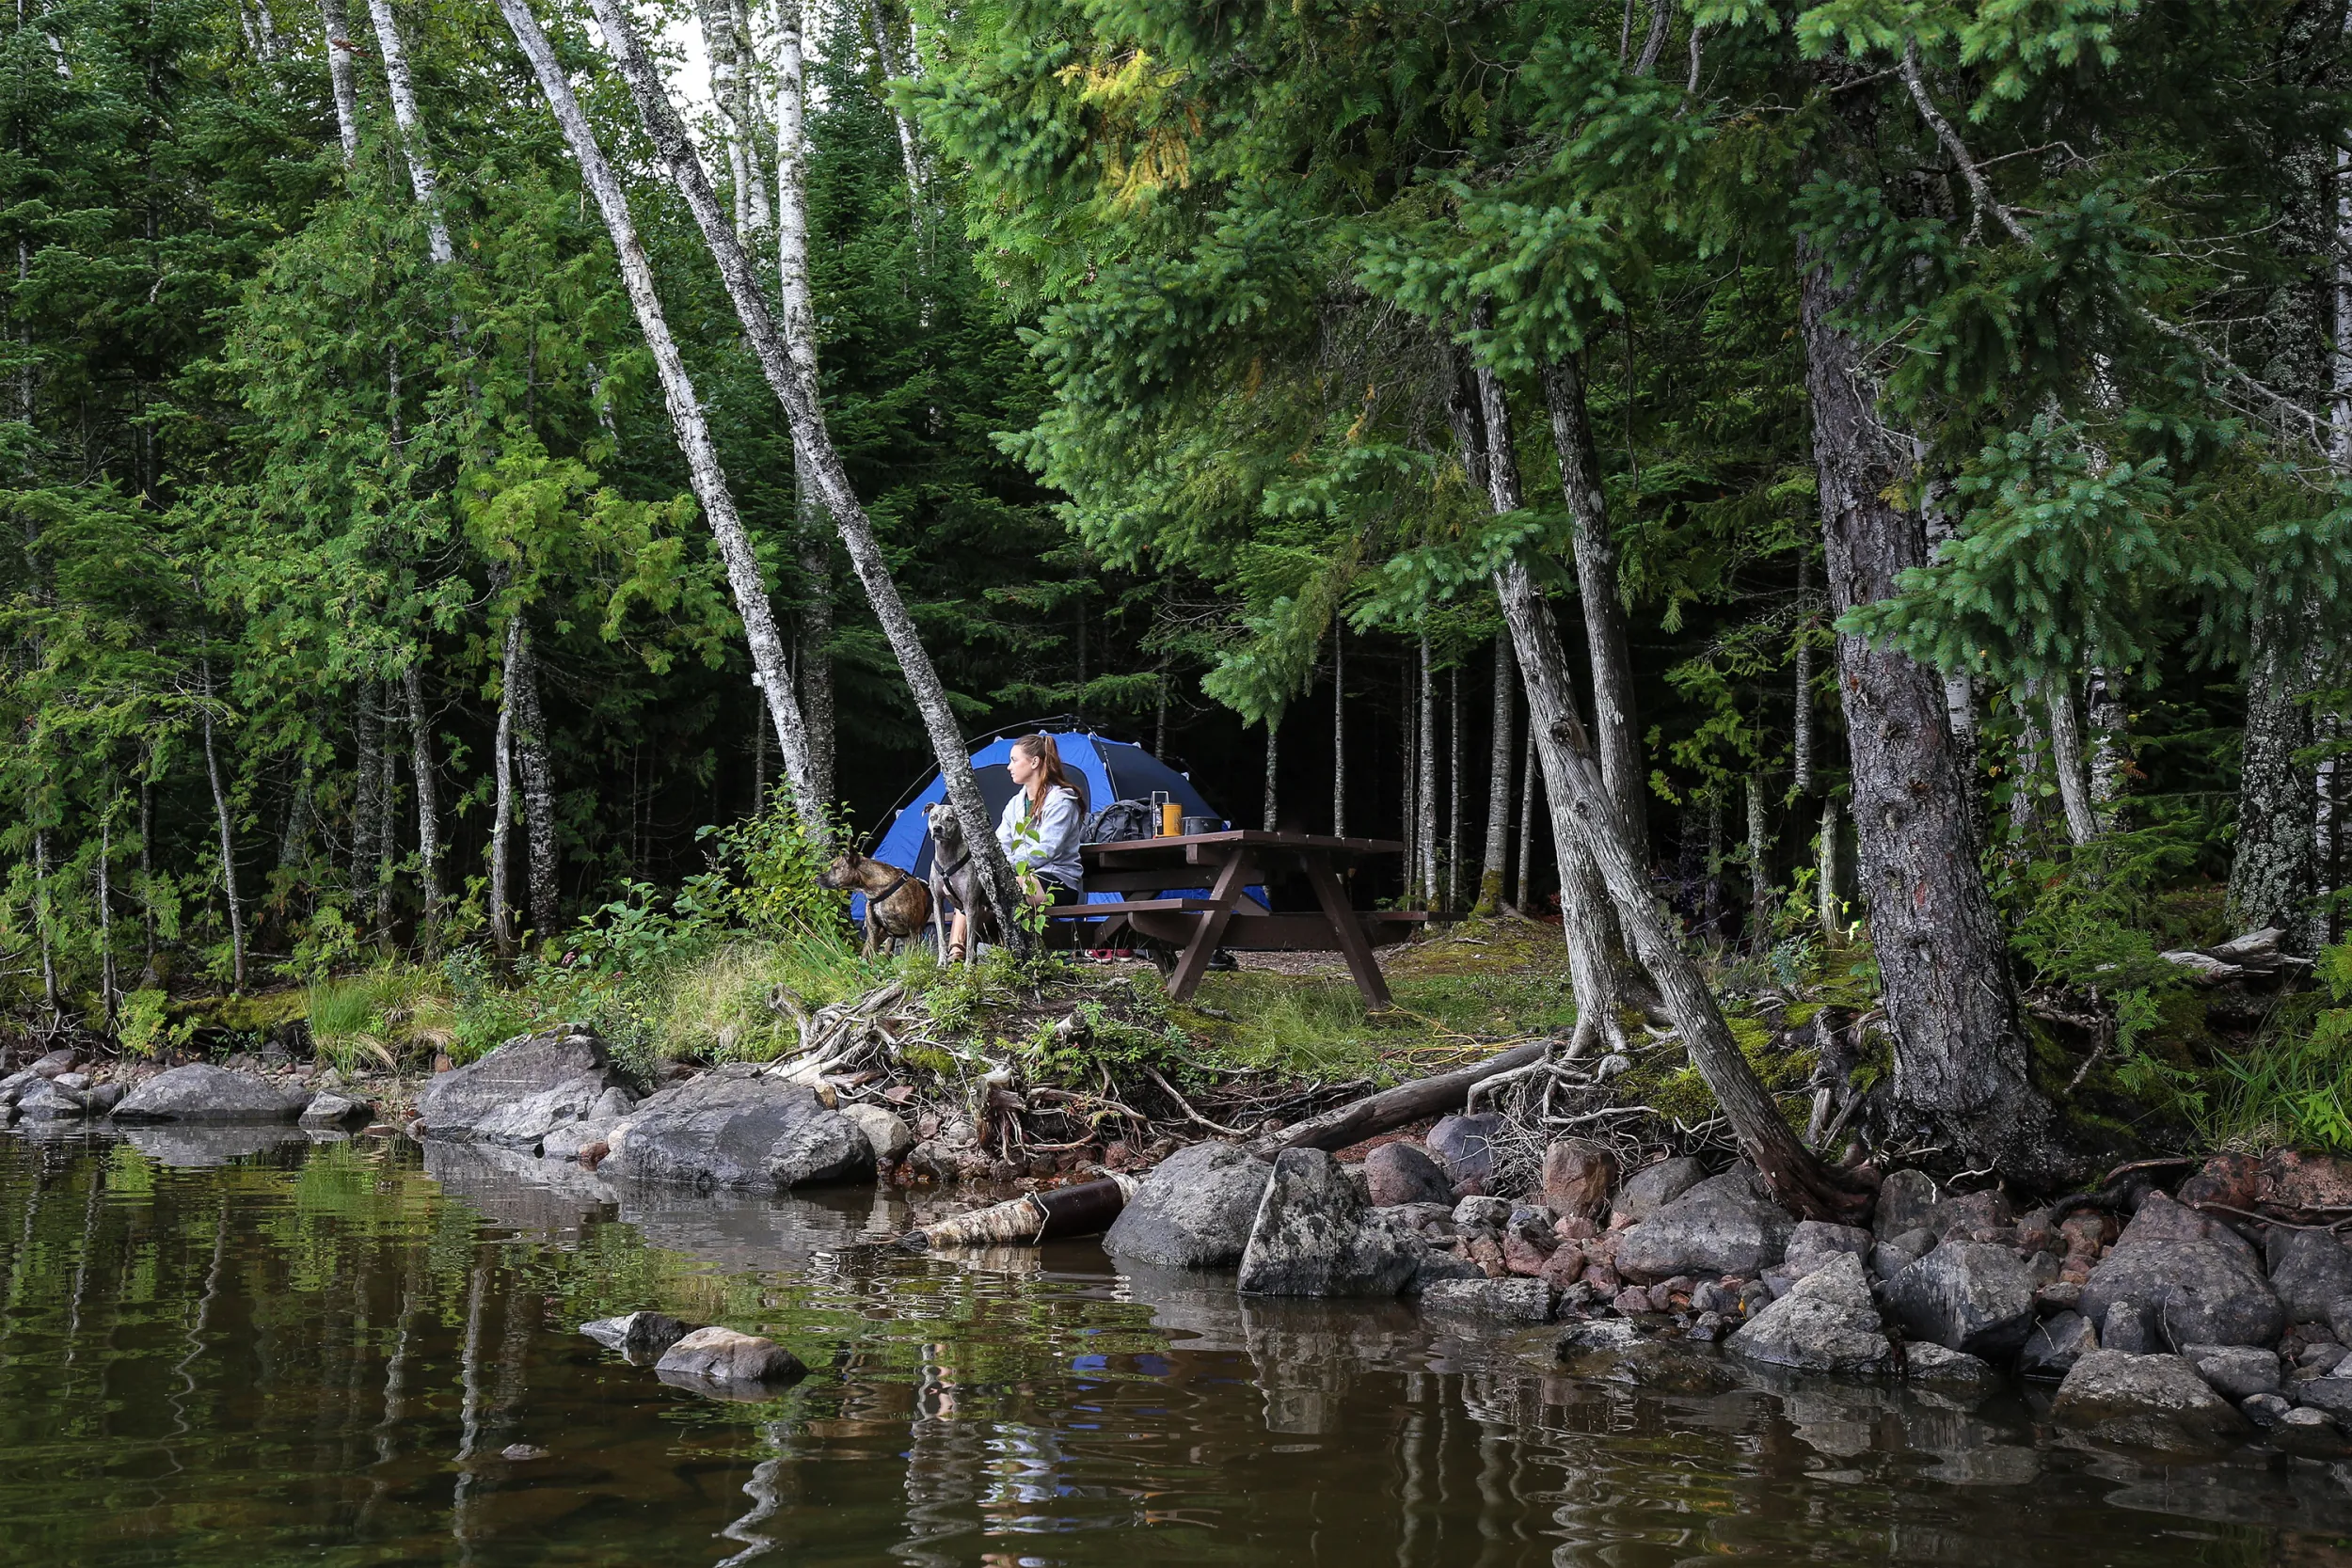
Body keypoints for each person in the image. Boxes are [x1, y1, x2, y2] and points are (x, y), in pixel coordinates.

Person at [947, 733, 1087, 960]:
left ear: (1034, 762)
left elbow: (1045, 851)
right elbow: (999, 844)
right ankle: (957, 953)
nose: (1009, 767)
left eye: (1014, 760)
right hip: (1020, 878)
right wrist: (987, 866)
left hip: (1056, 881)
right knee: (970, 888)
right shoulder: (1015, 804)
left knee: (993, 890)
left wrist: (1001, 868)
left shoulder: (1062, 801)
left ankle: (967, 952)